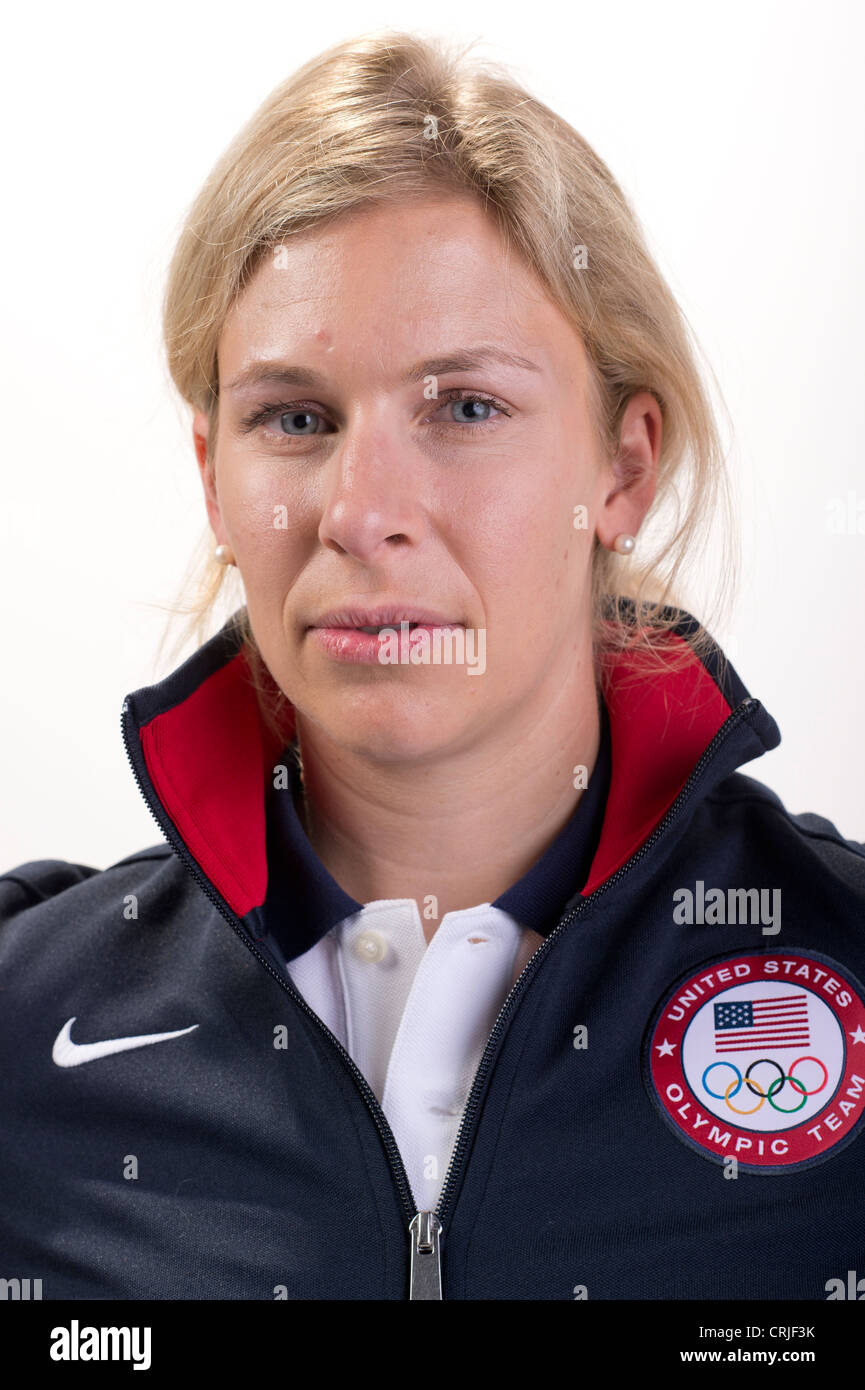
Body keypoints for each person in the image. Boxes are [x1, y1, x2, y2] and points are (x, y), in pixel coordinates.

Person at [2, 29, 863, 1303]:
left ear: (621, 468)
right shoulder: (26, 1020)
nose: (362, 508)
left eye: (465, 406)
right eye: (294, 418)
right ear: (213, 478)